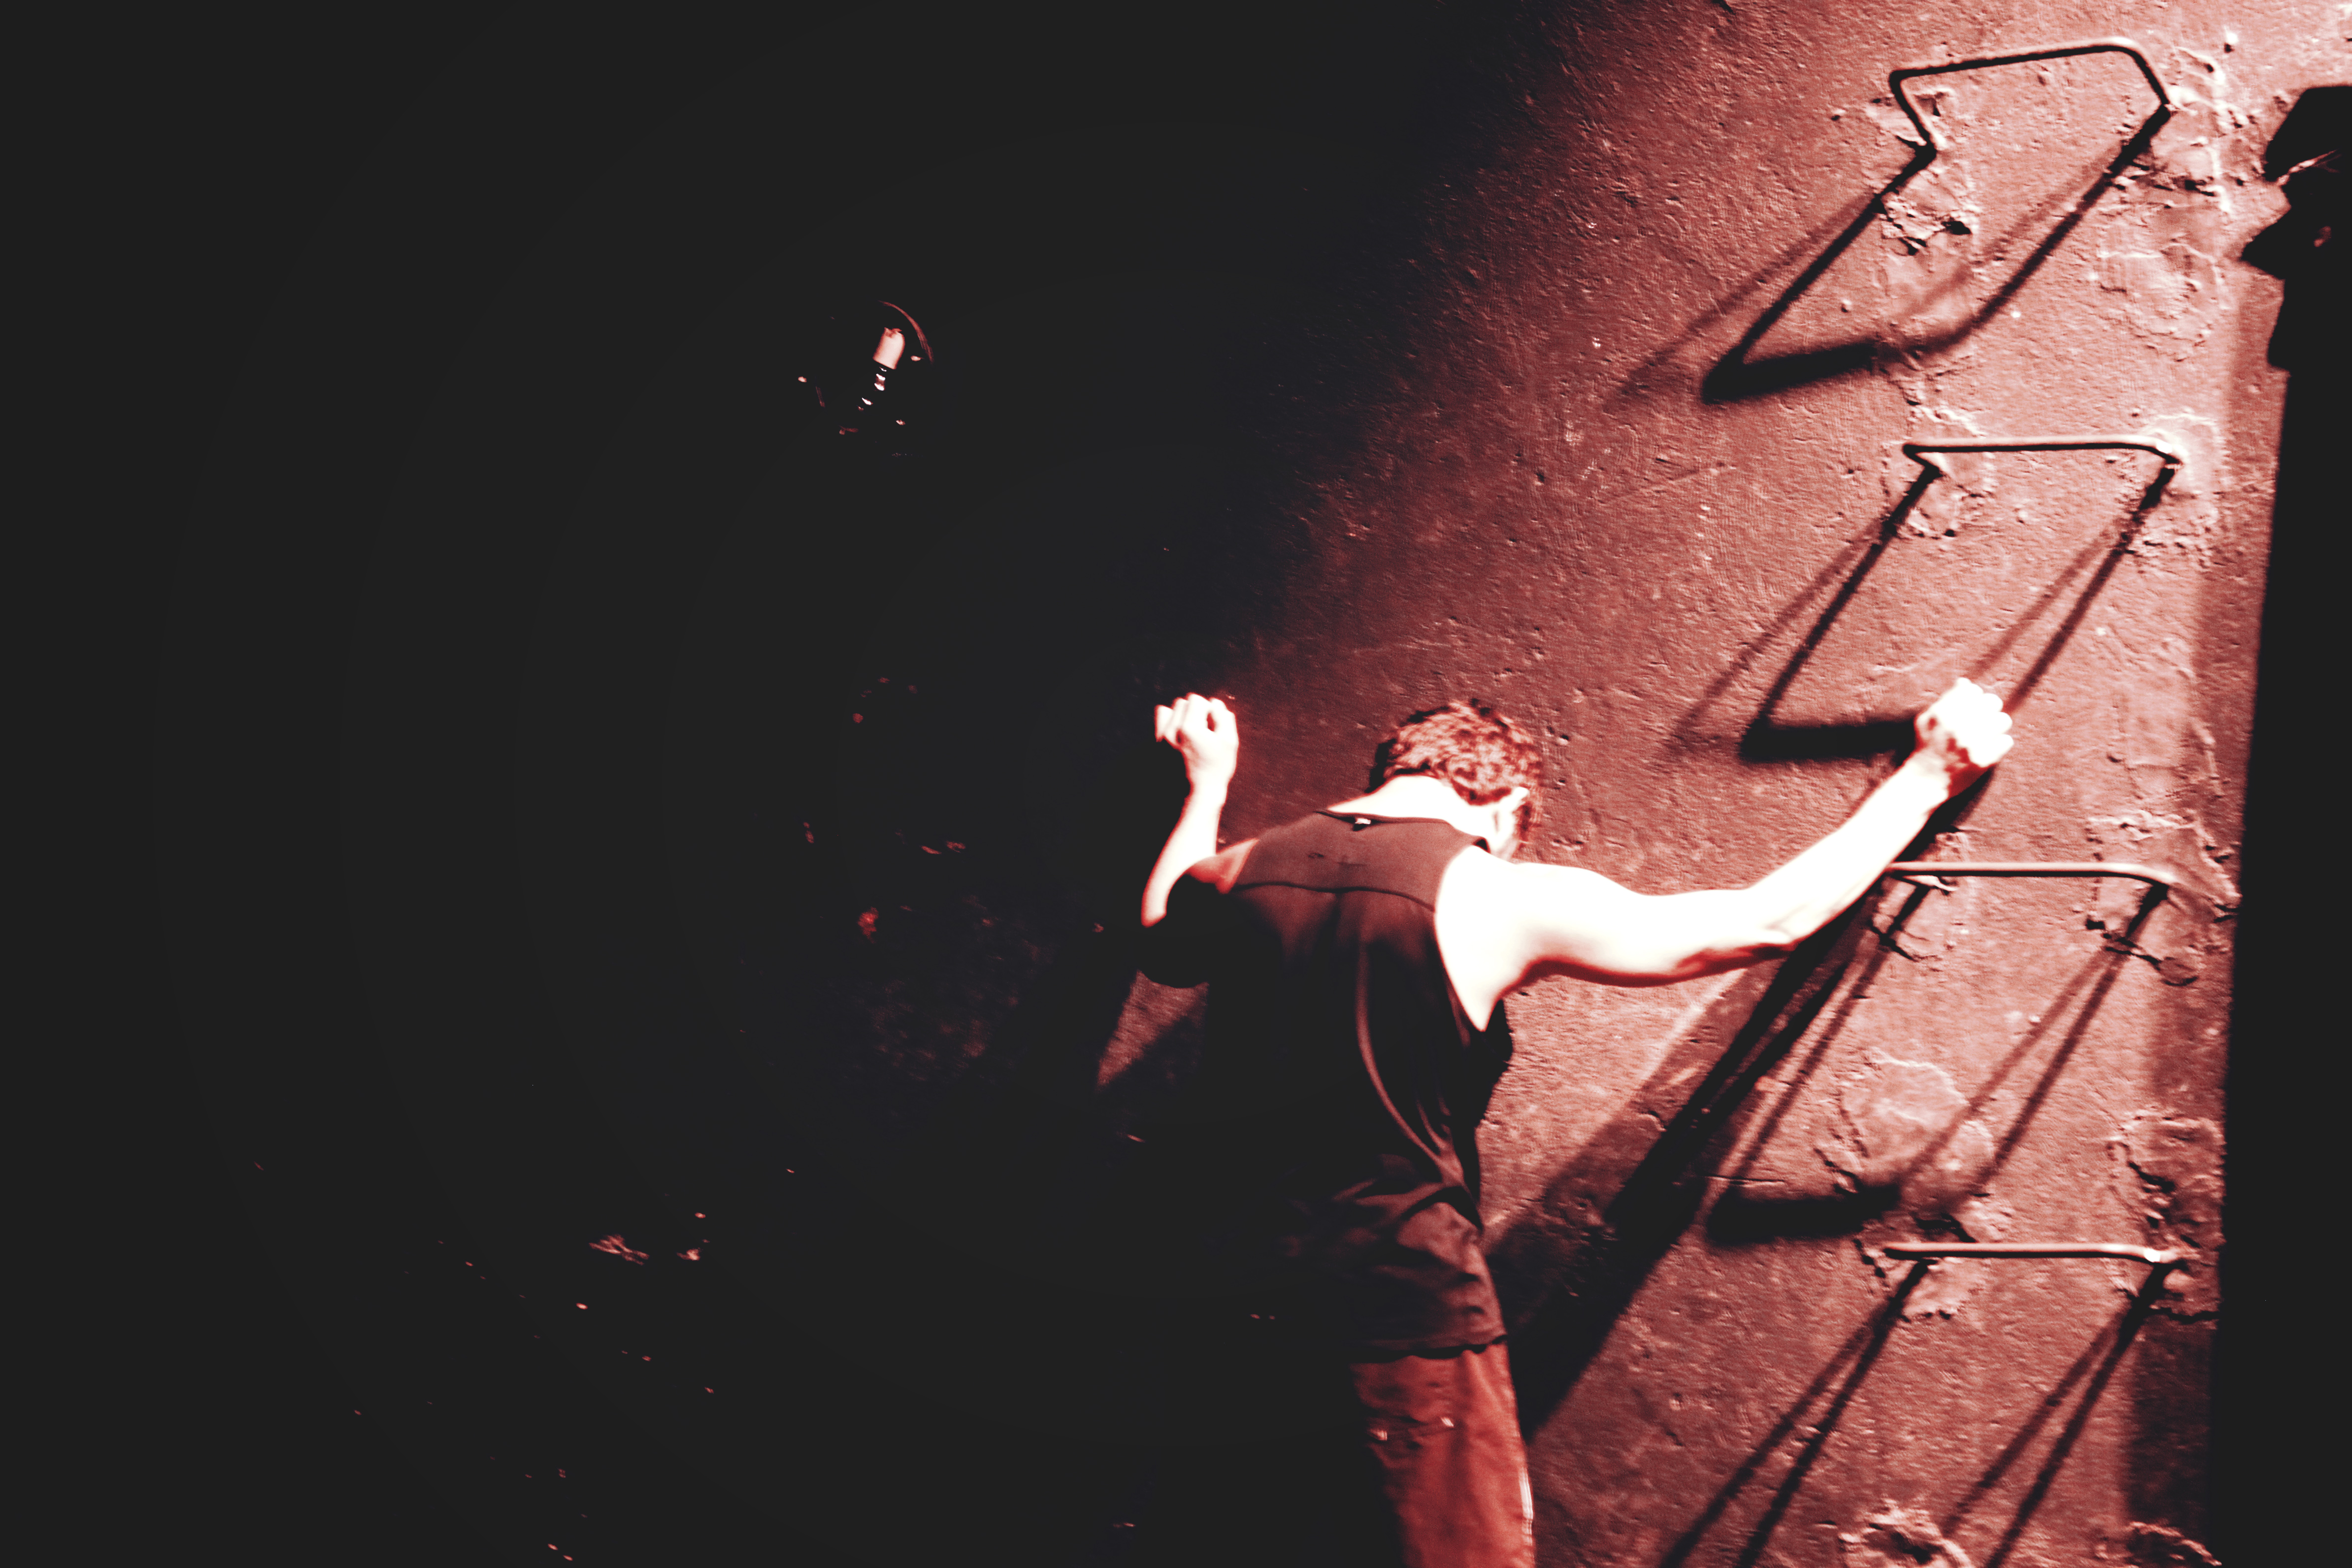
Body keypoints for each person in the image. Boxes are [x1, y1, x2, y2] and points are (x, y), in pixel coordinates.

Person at [1131, 681, 2013, 1568]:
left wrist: (1208, 785)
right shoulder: (1491, 892)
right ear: (1508, 808)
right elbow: (1766, 922)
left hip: (1227, 1310)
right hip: (1400, 1317)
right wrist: (1929, 776)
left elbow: (1160, 936)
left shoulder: (1243, 869)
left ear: (1391, 773)